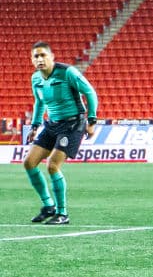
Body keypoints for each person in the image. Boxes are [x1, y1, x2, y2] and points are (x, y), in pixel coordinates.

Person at [23, 42, 99, 225]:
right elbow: (39, 103)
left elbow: (90, 92)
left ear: (52, 57)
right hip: (52, 125)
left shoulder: (68, 73)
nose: (40, 59)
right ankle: (48, 206)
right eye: (36, 56)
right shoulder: (36, 79)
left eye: (43, 55)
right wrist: (34, 126)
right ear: (32, 60)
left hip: (73, 125)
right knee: (29, 163)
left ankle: (62, 213)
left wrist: (92, 120)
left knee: (52, 166)